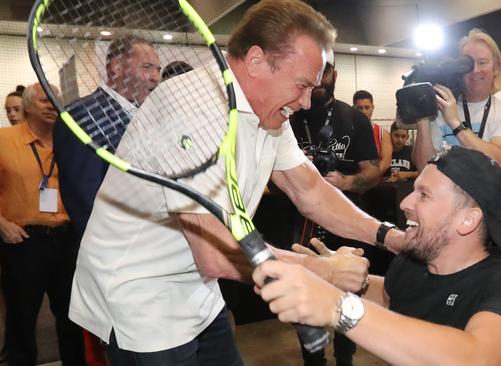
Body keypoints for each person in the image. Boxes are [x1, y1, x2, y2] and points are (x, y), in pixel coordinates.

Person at [68, 1, 403, 365]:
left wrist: (388, 235)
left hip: (197, 288)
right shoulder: (189, 107)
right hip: (139, 297)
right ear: (256, 61)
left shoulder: (271, 111)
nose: (307, 103)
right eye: (302, 85)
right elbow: (214, 254)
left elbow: (309, 190)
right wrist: (322, 272)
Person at [253, 146, 501, 366]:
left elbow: (476, 357)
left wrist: (338, 306)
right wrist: (334, 277)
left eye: (424, 194)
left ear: (468, 220)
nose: (406, 202)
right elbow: (391, 298)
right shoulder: (411, 264)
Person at [290, 50, 380, 366]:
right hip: (300, 224)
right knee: (304, 296)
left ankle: (345, 357)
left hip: (346, 222)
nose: (319, 78)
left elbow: (373, 172)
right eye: (313, 70)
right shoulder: (288, 117)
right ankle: (313, 359)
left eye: (325, 71)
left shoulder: (354, 119)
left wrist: (344, 183)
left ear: (335, 75)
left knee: (349, 293)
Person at [0, 83, 86, 365]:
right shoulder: (5, 139)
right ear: (26, 106)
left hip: (68, 241)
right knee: (21, 321)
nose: (51, 104)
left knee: (73, 318)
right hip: (23, 241)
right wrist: (1, 224)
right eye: (43, 100)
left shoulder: (72, 141)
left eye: (55, 99)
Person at [54, 34, 162, 236]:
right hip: (112, 249)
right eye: (147, 67)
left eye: (158, 69)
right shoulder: (81, 115)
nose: (156, 76)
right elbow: (84, 198)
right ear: (117, 68)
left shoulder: (148, 117)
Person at [412, 28, 501, 170]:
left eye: (482, 62)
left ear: (496, 67)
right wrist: (423, 117)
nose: (475, 70)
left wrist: (455, 123)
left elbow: (499, 161)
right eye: (467, 64)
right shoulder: (440, 106)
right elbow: (424, 166)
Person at [352, 90, 392, 176]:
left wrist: (367, 178)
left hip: (375, 185)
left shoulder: (383, 133)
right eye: (359, 108)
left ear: (373, 107)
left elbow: (386, 161)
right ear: (353, 108)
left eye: (367, 107)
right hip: (350, 184)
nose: (364, 112)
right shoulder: (346, 131)